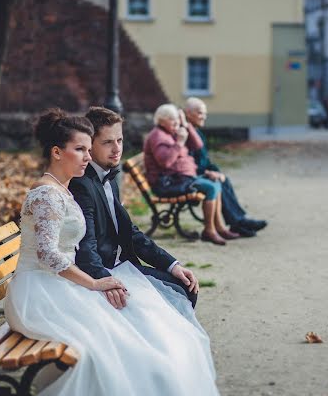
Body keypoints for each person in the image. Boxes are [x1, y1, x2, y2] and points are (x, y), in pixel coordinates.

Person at [4, 108, 227, 396]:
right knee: (115, 346)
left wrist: (100, 282)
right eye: (81, 149)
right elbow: (47, 255)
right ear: (57, 152)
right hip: (39, 293)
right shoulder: (48, 194)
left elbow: (91, 242)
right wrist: (95, 283)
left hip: (59, 285)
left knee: (133, 335)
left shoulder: (62, 188)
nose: (88, 157)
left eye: (89, 149)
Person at [69, 106, 198, 308]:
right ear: (89, 145)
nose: (117, 148)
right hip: (106, 271)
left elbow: (131, 232)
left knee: (184, 285)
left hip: (124, 263)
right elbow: (87, 247)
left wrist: (172, 265)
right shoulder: (82, 185)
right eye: (108, 142)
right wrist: (107, 282)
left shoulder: (109, 178)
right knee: (179, 294)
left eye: (119, 140)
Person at [144, 103, 239, 246]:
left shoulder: (171, 132)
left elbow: (198, 146)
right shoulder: (158, 136)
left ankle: (218, 227)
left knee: (216, 183)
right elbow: (165, 162)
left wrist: (185, 124)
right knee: (211, 188)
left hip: (181, 179)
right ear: (161, 121)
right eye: (172, 119)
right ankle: (209, 230)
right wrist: (180, 143)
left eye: (177, 119)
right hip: (168, 183)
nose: (176, 123)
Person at [184, 97, 268, 237]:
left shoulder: (195, 131)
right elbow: (189, 163)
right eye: (200, 113)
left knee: (224, 180)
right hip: (192, 177)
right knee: (218, 182)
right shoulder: (187, 134)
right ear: (188, 113)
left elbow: (204, 159)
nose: (204, 116)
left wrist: (214, 171)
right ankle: (238, 222)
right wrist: (207, 173)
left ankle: (238, 222)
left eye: (205, 113)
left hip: (201, 173)